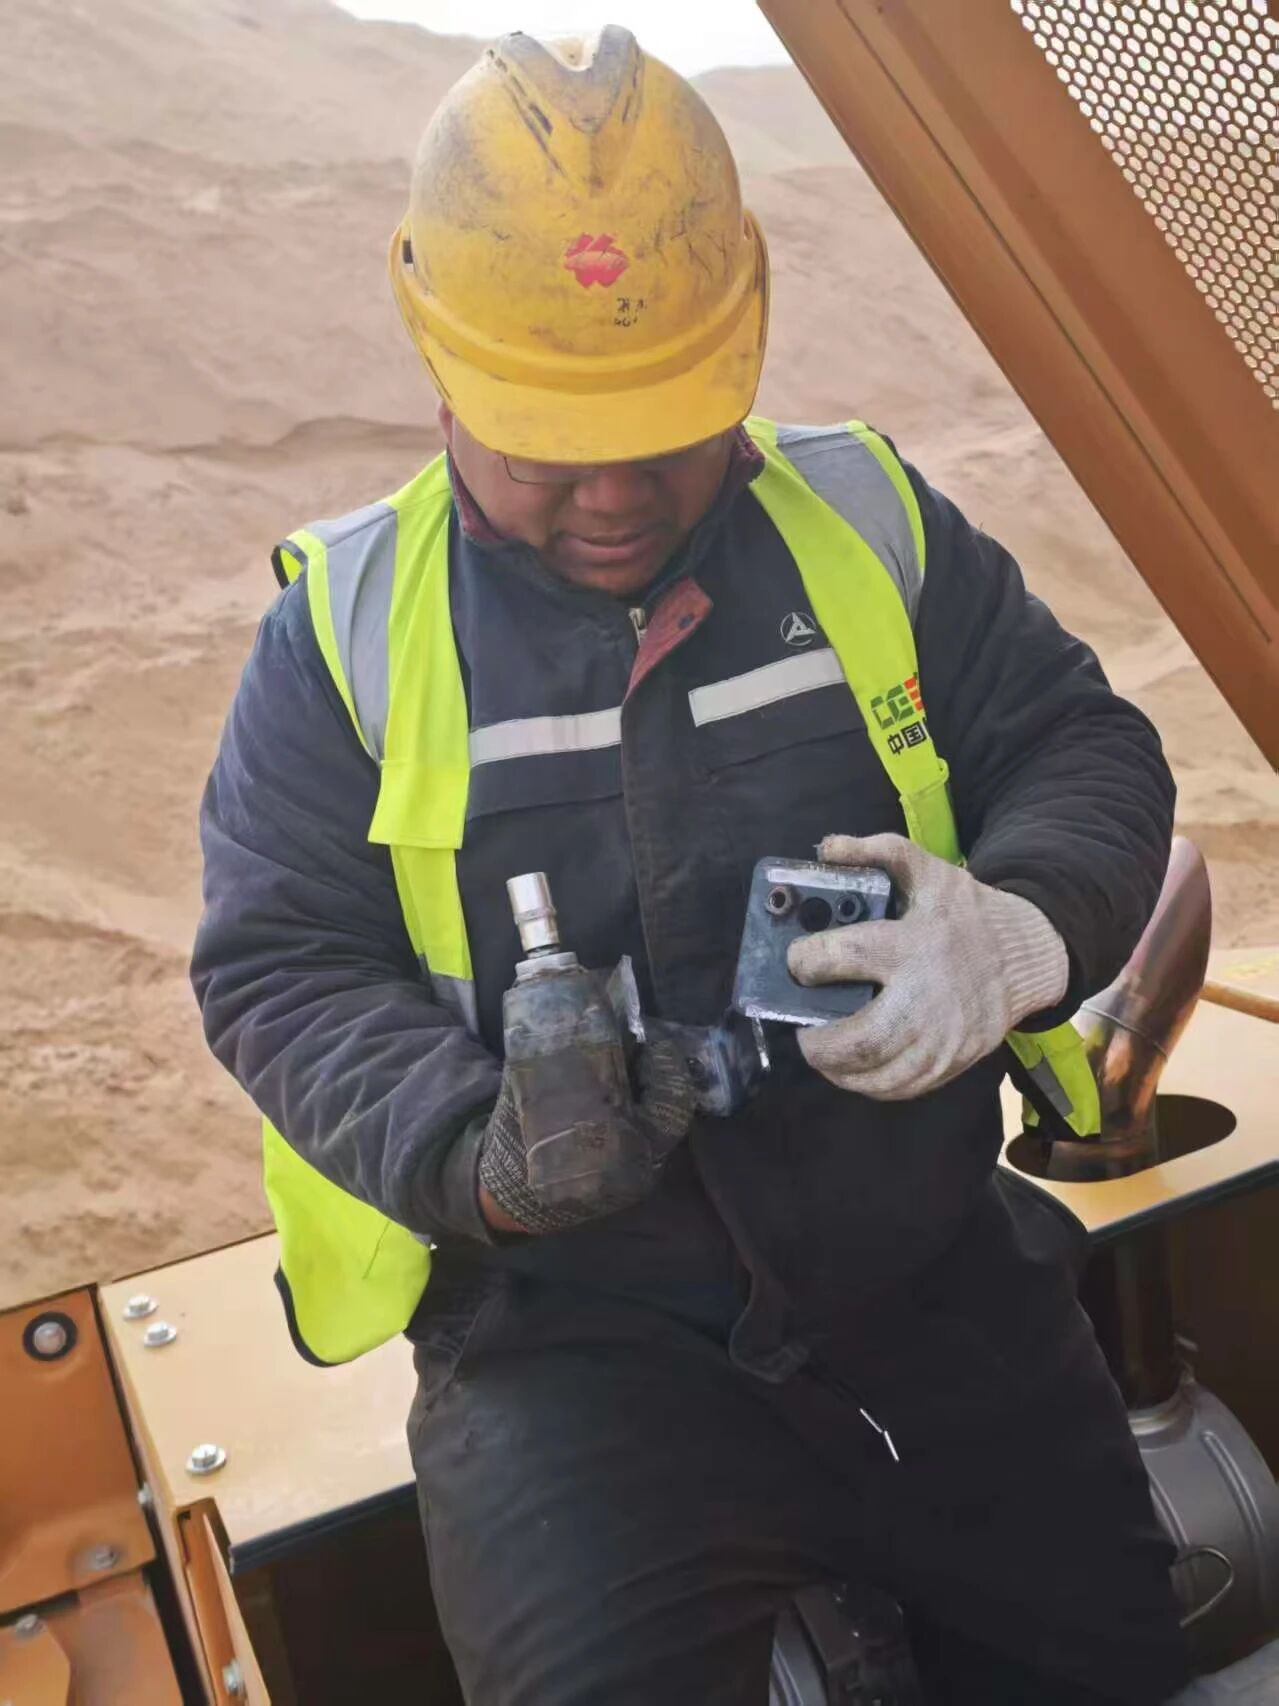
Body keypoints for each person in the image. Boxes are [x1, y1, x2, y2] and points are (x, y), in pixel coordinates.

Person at [192, 26, 1189, 1706]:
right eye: (546, 445)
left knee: (1107, 1661)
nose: (610, 496)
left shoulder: (867, 526)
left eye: (663, 433)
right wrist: (481, 1153)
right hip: (569, 1344)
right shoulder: (345, 641)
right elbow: (279, 961)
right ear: (444, 372)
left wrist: (1018, 927)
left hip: (928, 1268)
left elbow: (1079, 744)